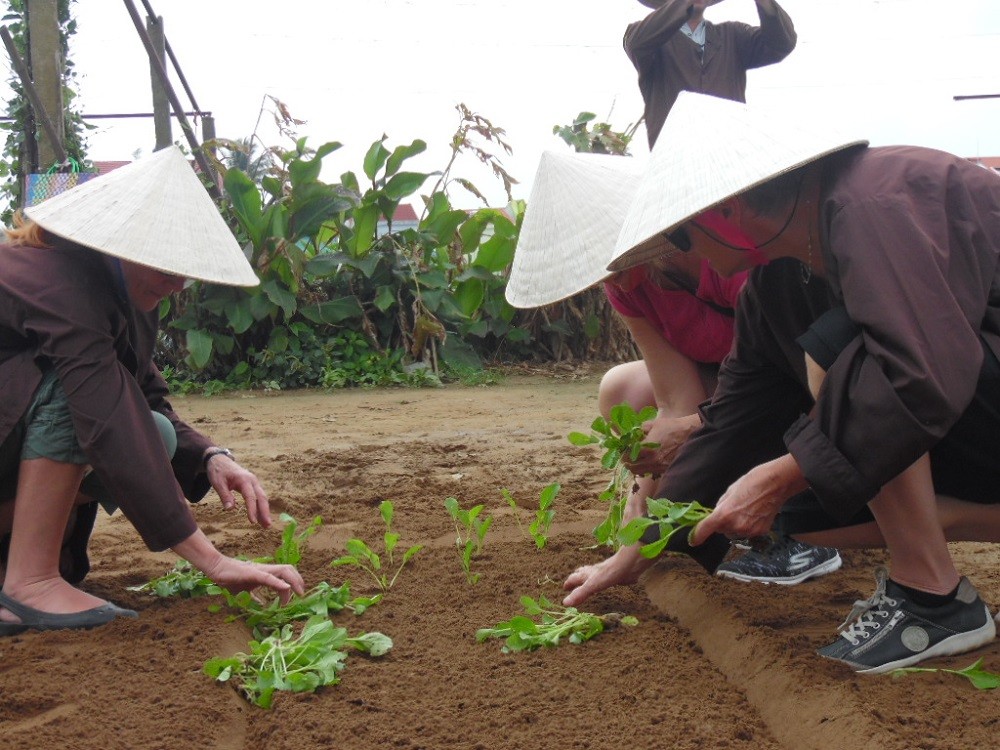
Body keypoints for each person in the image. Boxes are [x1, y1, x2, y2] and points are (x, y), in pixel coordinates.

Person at [563, 92, 1000, 673]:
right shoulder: (781, 278)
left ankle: (933, 597)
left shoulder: (874, 202)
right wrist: (639, 546)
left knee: (837, 351)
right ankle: (934, 544)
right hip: (972, 402)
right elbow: (737, 416)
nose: (681, 257)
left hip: (961, 387)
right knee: (809, 516)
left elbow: (916, 374)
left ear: (729, 213)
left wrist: (783, 473)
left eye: (683, 237)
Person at [0, 146, 305, 636]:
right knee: (80, 401)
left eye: (184, 271)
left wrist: (210, 456)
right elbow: (104, 411)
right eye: (166, 268)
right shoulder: (57, 281)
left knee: (157, 434)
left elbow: (143, 397)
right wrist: (212, 560)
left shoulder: (125, 288)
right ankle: (30, 580)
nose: (177, 284)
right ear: (119, 245)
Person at [508, 150, 841, 585]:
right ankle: (717, 516)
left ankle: (798, 529)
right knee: (622, 389)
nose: (608, 277)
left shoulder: (721, 257)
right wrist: (647, 504)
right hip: (728, 395)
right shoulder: (627, 289)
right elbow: (674, 398)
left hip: (793, 385)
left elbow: (776, 377)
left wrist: (691, 434)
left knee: (749, 416)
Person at [627, 0, 797, 148]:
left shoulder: (733, 35)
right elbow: (636, 44)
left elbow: (782, 44)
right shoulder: (646, 38)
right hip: (674, 163)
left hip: (729, 157)